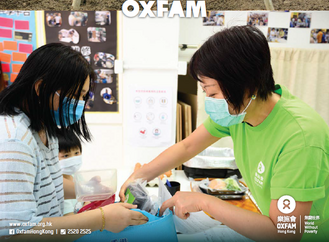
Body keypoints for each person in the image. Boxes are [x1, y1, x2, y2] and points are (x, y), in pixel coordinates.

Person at [119, 26, 329, 241]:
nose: (209, 100)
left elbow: (284, 233)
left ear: (246, 84)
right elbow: (187, 147)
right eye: (205, 92)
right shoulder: (240, 111)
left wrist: (204, 202)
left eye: (213, 92)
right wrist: (139, 176)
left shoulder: (300, 138)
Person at [0, 43, 148, 237]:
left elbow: (44, 184)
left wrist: (87, 189)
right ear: (41, 87)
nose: (80, 103)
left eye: (83, 96)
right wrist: (100, 219)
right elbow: (15, 232)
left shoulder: (43, 127)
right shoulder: (14, 140)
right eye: (76, 95)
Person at [57, 129, 82, 215]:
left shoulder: (76, 176)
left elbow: (86, 198)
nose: (73, 159)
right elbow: (69, 217)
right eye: (66, 155)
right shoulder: (60, 187)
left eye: (76, 153)